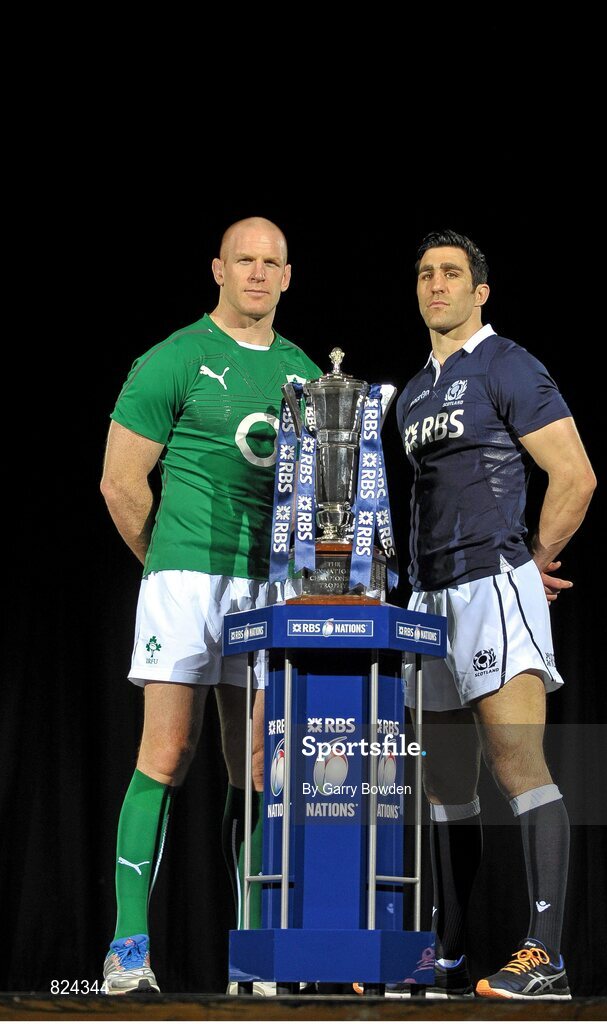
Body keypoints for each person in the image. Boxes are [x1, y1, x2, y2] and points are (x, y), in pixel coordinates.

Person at [99, 216, 321, 994]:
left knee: (260, 764)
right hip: (184, 579)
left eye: (272, 263)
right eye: (244, 261)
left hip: (266, 587)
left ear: (287, 277)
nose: (258, 274)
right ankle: (128, 950)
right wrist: (164, 566)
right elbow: (121, 484)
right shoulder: (174, 358)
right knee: (166, 753)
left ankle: (255, 957)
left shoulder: (302, 371)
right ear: (218, 269)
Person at [396, 230, 596, 1001]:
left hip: (493, 585)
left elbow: (574, 475)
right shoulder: (414, 391)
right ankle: (445, 953)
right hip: (430, 598)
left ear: (481, 291)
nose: (435, 284)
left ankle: (546, 953)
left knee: (517, 765)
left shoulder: (506, 362)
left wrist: (533, 559)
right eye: (424, 274)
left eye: (451, 273)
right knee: (447, 786)